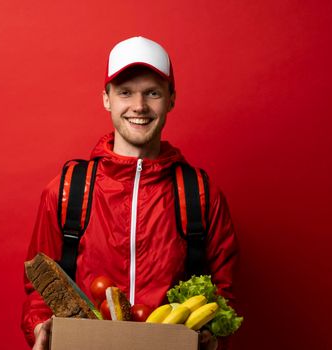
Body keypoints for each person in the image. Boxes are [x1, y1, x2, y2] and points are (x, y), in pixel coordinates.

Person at [21, 36, 239, 350]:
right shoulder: (68, 190)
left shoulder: (201, 195)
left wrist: (214, 338)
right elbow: (39, 289)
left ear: (171, 99)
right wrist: (38, 328)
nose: (139, 106)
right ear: (106, 98)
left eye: (152, 92)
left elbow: (223, 293)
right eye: (125, 92)